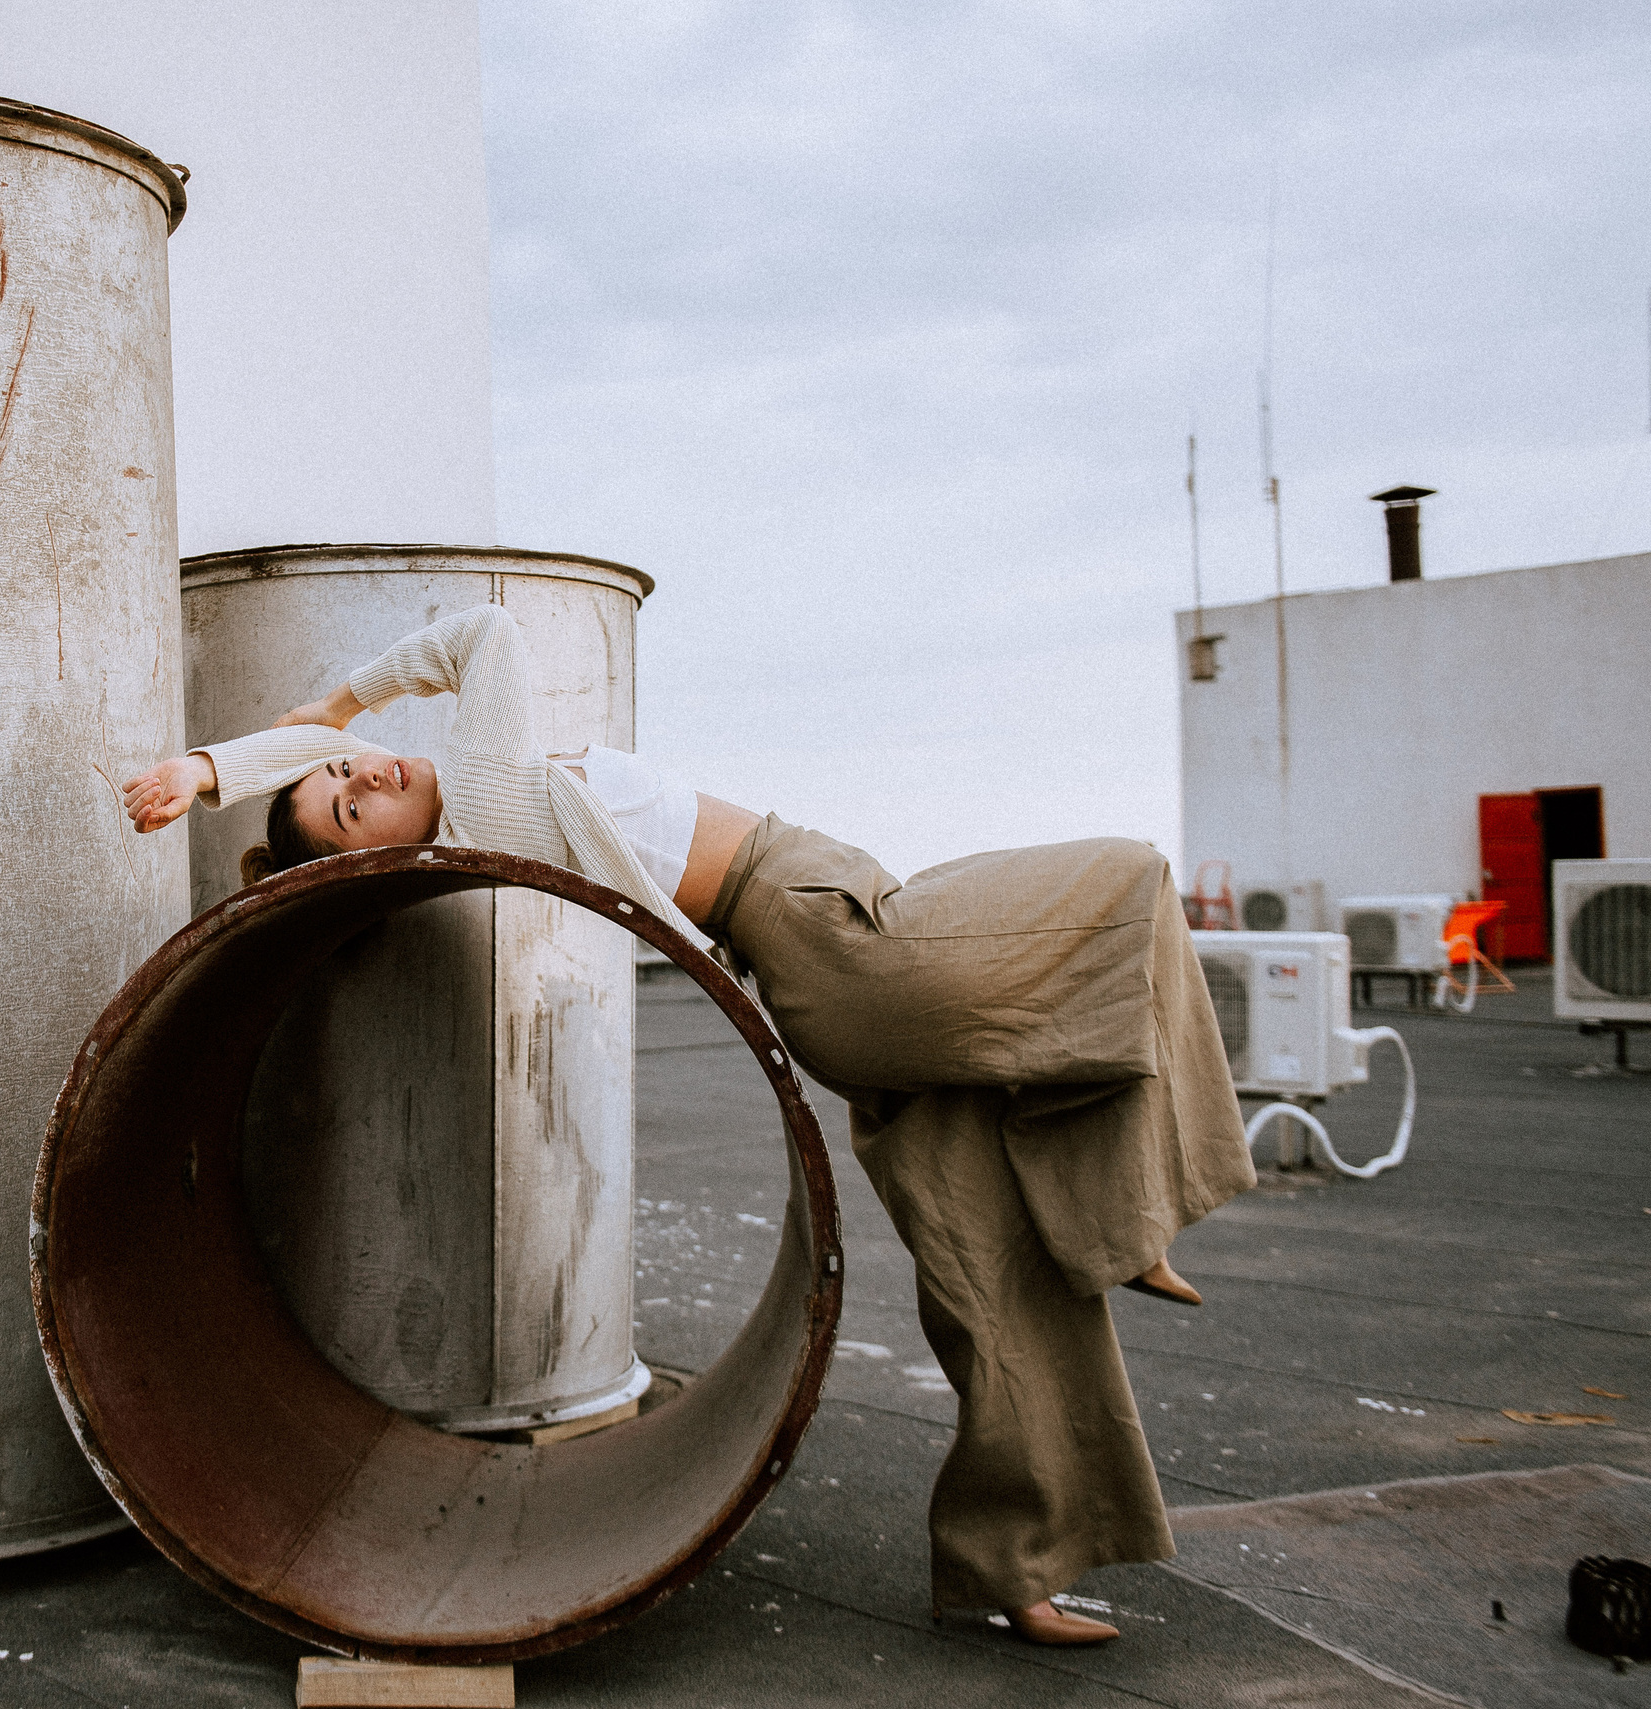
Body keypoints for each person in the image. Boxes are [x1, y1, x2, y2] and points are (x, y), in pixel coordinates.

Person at [122, 603, 1254, 1646]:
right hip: (840, 940)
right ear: (394, 853)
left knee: (988, 1268)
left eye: (345, 767)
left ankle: (1014, 1560)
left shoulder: (470, 791)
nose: (367, 767)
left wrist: (216, 765)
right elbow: (484, 633)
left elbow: (321, 789)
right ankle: (1130, 1200)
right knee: (1129, 883)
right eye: (356, 803)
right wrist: (343, 699)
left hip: (830, 961)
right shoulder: (491, 793)